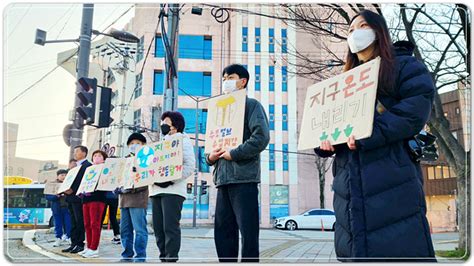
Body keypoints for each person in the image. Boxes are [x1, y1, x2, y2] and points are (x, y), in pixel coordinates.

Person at [315, 10, 436, 261]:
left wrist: (367, 134)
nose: (355, 33)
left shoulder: (406, 66)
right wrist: (325, 142)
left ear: (378, 30)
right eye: (350, 30)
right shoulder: (344, 81)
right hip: (348, 183)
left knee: (397, 248)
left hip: (392, 176)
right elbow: (333, 126)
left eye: (362, 26)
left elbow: (414, 111)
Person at [205, 64, 270, 262]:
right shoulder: (219, 110)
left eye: (231, 77)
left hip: (244, 179)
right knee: (223, 233)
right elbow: (210, 147)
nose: (226, 81)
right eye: (224, 78)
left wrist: (234, 154)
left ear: (243, 81)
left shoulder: (251, 105)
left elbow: (261, 137)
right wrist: (210, 158)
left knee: (248, 234)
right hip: (222, 180)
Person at [150, 111, 195, 262]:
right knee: (157, 228)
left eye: (166, 122)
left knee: (170, 226)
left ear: (175, 125)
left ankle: (171, 258)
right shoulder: (160, 143)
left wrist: (171, 180)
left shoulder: (183, 140)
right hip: (156, 190)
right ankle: (163, 256)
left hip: (173, 190)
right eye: (162, 122)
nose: (163, 125)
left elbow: (189, 165)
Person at [117, 133, 149, 262]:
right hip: (124, 200)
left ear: (143, 145)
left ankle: (140, 256)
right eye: (131, 144)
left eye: (137, 143)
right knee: (124, 230)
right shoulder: (124, 161)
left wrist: (130, 187)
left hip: (138, 199)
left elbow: (147, 179)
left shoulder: (146, 160)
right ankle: (126, 254)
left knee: (140, 230)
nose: (134, 146)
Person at [77, 150, 108, 258]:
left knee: (95, 224)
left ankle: (94, 248)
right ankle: (89, 247)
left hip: (98, 199)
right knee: (87, 224)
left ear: (104, 159)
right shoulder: (89, 169)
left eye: (99, 156)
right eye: (95, 156)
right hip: (86, 199)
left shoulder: (105, 169)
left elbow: (106, 183)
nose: (97, 157)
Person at [62, 145, 92, 254]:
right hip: (70, 198)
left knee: (80, 221)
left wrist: (73, 189)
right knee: (73, 222)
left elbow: (85, 181)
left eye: (77, 152)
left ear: (84, 153)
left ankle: (80, 244)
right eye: (74, 152)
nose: (74, 154)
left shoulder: (88, 166)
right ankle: (73, 244)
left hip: (79, 198)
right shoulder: (74, 166)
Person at [45, 169, 71, 247]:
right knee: (58, 224)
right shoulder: (52, 184)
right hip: (57, 208)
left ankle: (69, 237)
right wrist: (56, 196)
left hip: (67, 207)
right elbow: (48, 197)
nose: (64, 177)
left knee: (69, 223)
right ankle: (58, 238)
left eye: (65, 175)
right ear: (57, 176)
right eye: (62, 175)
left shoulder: (69, 184)